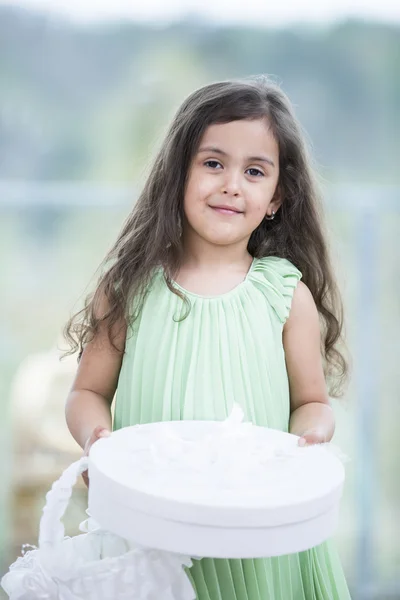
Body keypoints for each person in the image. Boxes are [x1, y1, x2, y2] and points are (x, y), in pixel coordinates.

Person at [64, 75, 351, 599]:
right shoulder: (130, 287)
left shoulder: (286, 297)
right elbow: (87, 393)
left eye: (255, 171)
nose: (231, 184)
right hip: (152, 531)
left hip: (256, 532)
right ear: (178, 175)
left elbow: (312, 402)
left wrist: (311, 438)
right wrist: (96, 444)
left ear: (276, 199)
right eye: (213, 163)